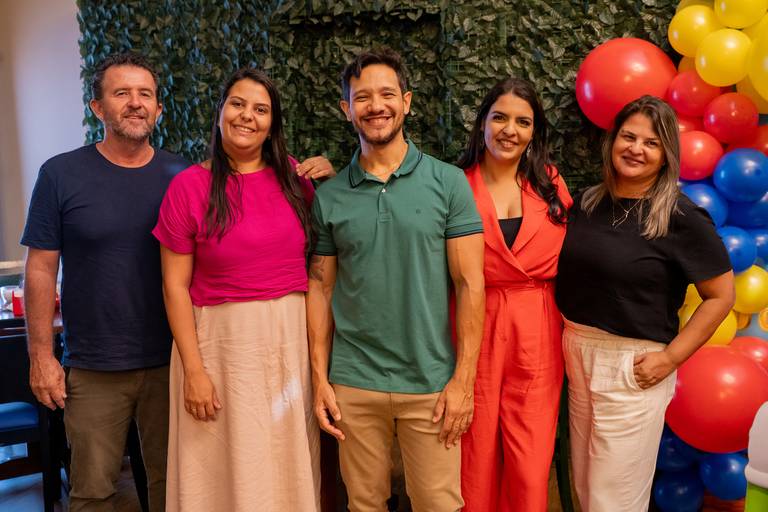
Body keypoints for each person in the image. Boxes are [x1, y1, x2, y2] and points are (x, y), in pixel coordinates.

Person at [307, 47, 485, 512]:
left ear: (407, 101)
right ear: (346, 109)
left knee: (439, 504)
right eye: (362, 97)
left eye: (387, 94)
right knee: (363, 504)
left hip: (431, 382)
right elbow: (321, 289)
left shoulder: (449, 183)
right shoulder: (329, 196)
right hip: (353, 382)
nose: (376, 106)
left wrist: (463, 381)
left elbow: (470, 285)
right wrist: (320, 378)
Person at [153, 68, 333, 512]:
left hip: (288, 342)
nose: (247, 116)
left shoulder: (296, 180)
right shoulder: (188, 186)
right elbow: (174, 286)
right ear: (220, 112)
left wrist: (330, 179)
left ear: (273, 124)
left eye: (261, 109)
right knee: (221, 466)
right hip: (220, 348)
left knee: (284, 460)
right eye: (237, 104)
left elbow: (328, 256)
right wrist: (194, 371)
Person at [21, 53, 189, 511]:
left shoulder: (183, 177)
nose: (135, 103)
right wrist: (40, 356)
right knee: (92, 493)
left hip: (171, 363)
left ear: (158, 109)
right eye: (121, 93)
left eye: (145, 94)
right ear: (98, 107)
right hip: (93, 367)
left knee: (175, 489)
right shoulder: (60, 174)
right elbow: (40, 268)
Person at [555, 95, 734, 512]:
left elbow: (721, 296)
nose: (636, 149)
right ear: (612, 140)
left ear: (666, 153)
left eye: (651, 143)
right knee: (585, 489)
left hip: (633, 365)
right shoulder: (587, 203)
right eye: (629, 136)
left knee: (613, 500)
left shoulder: (681, 216)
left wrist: (670, 358)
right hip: (577, 353)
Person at [455, 77, 572, 512]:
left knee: (530, 457)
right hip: (473, 322)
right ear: (482, 123)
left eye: (523, 122)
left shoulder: (551, 184)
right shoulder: (455, 185)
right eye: (499, 117)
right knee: (474, 449)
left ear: (534, 132)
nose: (510, 130)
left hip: (538, 328)